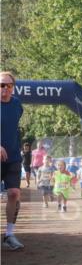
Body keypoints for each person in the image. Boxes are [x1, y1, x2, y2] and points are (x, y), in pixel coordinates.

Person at [1, 71, 26, 250]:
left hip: (14, 158)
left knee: (14, 194)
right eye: (2, 85)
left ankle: (9, 235)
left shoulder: (17, 104)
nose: (5, 89)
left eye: (9, 85)